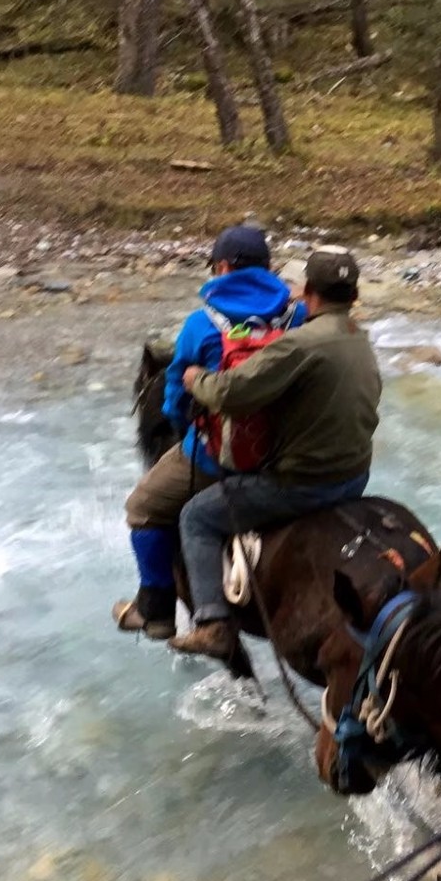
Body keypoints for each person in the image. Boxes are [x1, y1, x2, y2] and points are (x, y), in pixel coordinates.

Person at [169, 246, 380, 660]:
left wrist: (196, 379)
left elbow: (233, 394)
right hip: (355, 476)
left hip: (302, 485)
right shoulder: (360, 338)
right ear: (353, 297)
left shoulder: (299, 345)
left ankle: (212, 623)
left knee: (195, 517)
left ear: (308, 292)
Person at [113, 226, 303, 640]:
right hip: (291, 454)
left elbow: (174, 400)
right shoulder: (299, 316)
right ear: (268, 268)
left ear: (221, 267)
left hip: (219, 458)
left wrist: (188, 436)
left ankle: (158, 610)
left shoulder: (202, 324)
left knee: (142, 508)